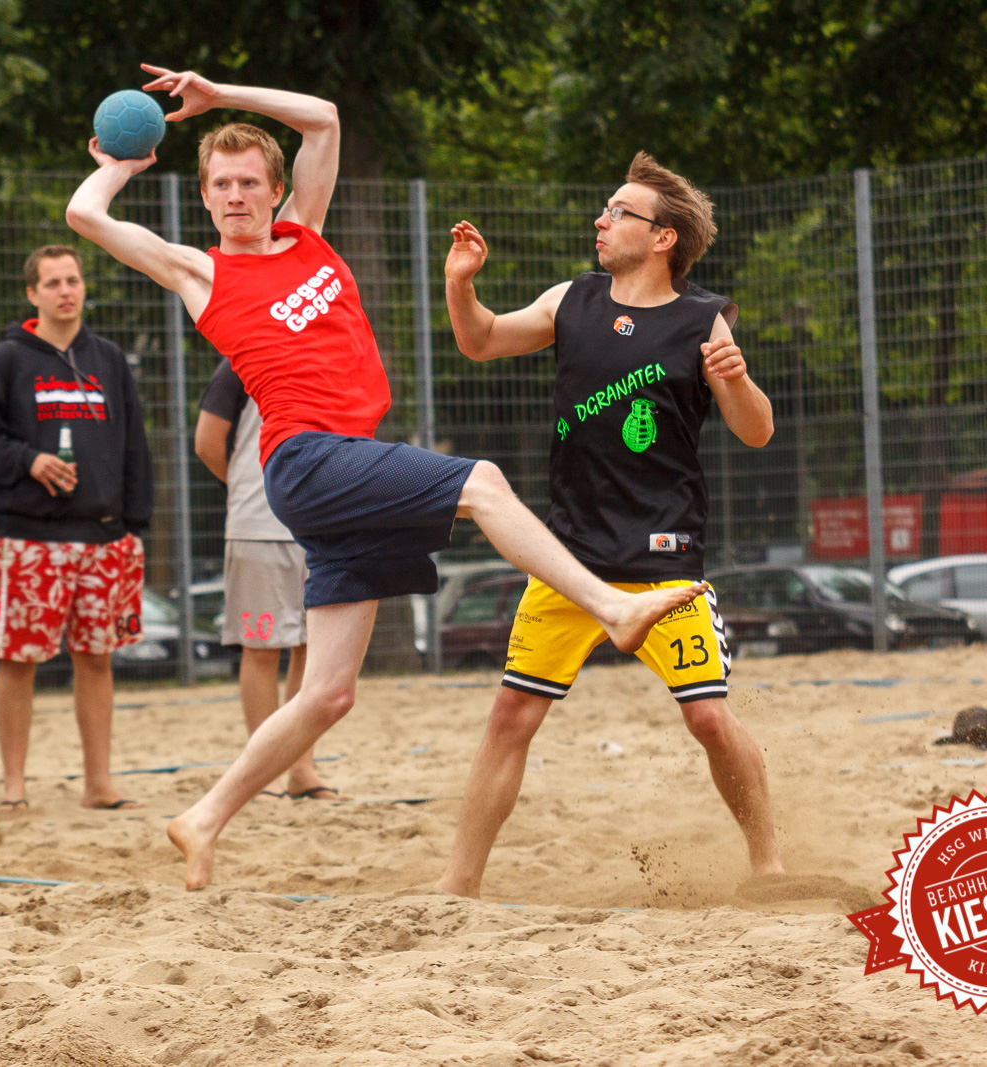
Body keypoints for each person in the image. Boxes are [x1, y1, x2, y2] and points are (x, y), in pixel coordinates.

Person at [65, 65, 704, 889]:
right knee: (480, 483)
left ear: (273, 189)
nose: (234, 194)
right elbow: (84, 214)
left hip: (343, 465)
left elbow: (325, 119)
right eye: (219, 183)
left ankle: (203, 816)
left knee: (329, 694)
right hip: (305, 459)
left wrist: (221, 95)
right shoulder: (203, 272)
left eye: (249, 181)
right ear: (204, 196)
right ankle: (612, 604)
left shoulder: (308, 233)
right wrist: (122, 160)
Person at [433, 154, 786, 898]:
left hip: (665, 564)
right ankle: (458, 882)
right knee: (510, 714)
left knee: (711, 721)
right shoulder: (573, 300)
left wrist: (737, 376)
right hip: (572, 562)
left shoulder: (705, 320)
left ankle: (769, 864)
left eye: (619, 211)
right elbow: (482, 340)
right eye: (605, 207)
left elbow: (757, 433)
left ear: (663, 238)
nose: (602, 219)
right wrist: (460, 284)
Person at [0, 244, 154, 811]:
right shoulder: (9, 360)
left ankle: (99, 783)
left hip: (103, 537)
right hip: (30, 537)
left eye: (73, 280)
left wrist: (134, 525)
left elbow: (135, 447)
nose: (66, 291)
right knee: (19, 660)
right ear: (32, 294)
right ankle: (14, 787)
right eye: (53, 283)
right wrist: (28, 460)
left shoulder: (110, 360)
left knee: (97, 659)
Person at [195, 358, 339, 801]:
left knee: (312, 649)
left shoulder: (335, 352)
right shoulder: (244, 357)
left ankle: (301, 767)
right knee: (262, 649)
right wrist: (252, 486)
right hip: (260, 523)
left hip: (322, 522)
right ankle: (264, 773)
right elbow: (207, 443)